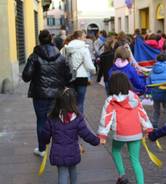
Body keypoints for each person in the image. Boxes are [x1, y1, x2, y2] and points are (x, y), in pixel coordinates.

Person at [22, 29, 71, 157]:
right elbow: (69, 75)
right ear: (51, 39)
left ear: (39, 40)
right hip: (57, 94)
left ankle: (42, 149)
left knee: (42, 121)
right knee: (57, 120)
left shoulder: (34, 56)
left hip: (40, 94)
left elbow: (26, 76)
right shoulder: (60, 57)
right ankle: (59, 146)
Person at [97, 72, 153, 184]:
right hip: (136, 132)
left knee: (116, 150)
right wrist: (148, 128)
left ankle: (122, 176)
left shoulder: (111, 100)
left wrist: (102, 135)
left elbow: (106, 118)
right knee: (135, 160)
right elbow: (142, 114)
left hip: (120, 133)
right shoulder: (135, 98)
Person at [42, 88, 100, 184]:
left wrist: (46, 141)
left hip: (58, 152)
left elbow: (45, 134)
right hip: (73, 151)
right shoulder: (77, 118)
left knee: (62, 173)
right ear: (73, 102)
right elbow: (86, 134)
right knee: (73, 170)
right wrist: (96, 141)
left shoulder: (52, 118)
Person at [65, 30, 96, 113]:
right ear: (79, 37)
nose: (85, 39)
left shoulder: (67, 48)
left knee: (71, 101)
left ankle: (71, 120)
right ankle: (79, 121)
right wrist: (93, 71)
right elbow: (88, 64)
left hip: (70, 76)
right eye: (84, 37)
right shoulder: (84, 49)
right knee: (80, 102)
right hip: (82, 77)